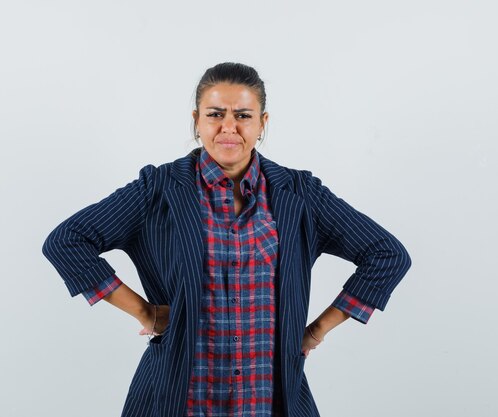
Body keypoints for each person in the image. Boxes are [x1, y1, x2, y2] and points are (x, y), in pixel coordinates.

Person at [42, 62, 412, 417]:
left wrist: (316, 331)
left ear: (263, 123)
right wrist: (145, 311)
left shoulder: (299, 194)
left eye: (243, 115)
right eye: (215, 114)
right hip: (178, 397)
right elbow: (67, 241)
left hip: (270, 400)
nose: (229, 127)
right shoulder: (157, 189)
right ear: (197, 121)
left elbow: (386, 254)